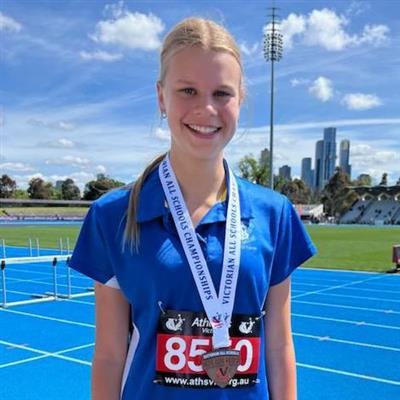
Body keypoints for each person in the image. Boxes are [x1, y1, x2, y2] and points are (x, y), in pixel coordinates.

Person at [70, 17, 316, 400]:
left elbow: (280, 347)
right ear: (160, 96)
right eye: (188, 90)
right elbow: (109, 355)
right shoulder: (112, 216)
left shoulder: (276, 214)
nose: (206, 108)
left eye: (222, 93)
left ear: (240, 100)